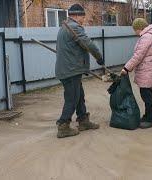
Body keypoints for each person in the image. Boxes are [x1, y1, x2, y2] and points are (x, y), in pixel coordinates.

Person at [55, 4, 104, 138]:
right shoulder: (74, 27)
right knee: (72, 98)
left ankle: (83, 120)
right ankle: (63, 126)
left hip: (70, 69)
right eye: (82, 16)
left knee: (79, 96)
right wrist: (99, 58)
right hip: (70, 70)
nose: (84, 19)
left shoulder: (65, 27)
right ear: (76, 15)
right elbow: (88, 44)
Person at [121, 18, 152, 129]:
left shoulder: (146, 37)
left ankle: (150, 119)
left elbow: (138, 56)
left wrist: (126, 68)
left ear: (139, 28)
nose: (135, 32)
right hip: (147, 68)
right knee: (146, 94)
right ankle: (147, 116)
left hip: (146, 69)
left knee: (146, 95)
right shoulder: (149, 36)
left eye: (135, 29)